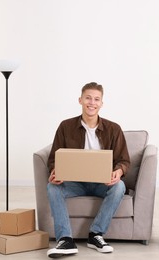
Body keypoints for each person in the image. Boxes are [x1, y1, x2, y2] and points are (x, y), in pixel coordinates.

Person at [46, 82, 131, 258]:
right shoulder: (65, 126)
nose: (92, 102)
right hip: (74, 183)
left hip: (102, 183)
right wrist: (55, 172)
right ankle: (65, 240)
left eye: (96, 99)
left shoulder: (113, 129)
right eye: (88, 98)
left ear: (101, 104)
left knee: (120, 186)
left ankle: (95, 234)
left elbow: (124, 160)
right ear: (80, 100)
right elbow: (53, 158)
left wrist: (118, 172)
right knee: (52, 187)